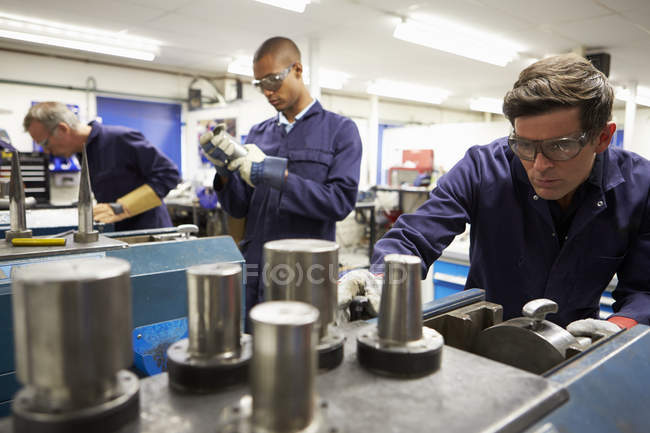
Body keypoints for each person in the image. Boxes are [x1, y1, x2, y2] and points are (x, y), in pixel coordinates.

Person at [343, 53, 650, 335]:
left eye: (561, 145)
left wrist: (619, 330)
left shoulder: (639, 187)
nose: (539, 166)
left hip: (577, 346)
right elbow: (414, 236)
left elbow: (644, 289)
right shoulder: (481, 168)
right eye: (525, 146)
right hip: (482, 344)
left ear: (602, 137)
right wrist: (384, 281)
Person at [202, 36, 362, 317]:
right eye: (260, 84)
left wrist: (276, 175)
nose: (267, 91)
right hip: (256, 264)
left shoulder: (340, 130)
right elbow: (239, 208)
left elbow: (339, 203)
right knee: (254, 346)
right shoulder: (257, 134)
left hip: (304, 269)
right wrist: (224, 174)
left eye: (273, 80)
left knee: (303, 350)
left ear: (297, 70)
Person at [24, 102, 180, 231]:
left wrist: (122, 207)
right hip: (117, 232)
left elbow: (169, 174)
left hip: (149, 233)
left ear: (63, 129)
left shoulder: (120, 139)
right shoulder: (83, 153)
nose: (46, 151)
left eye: (45, 143)